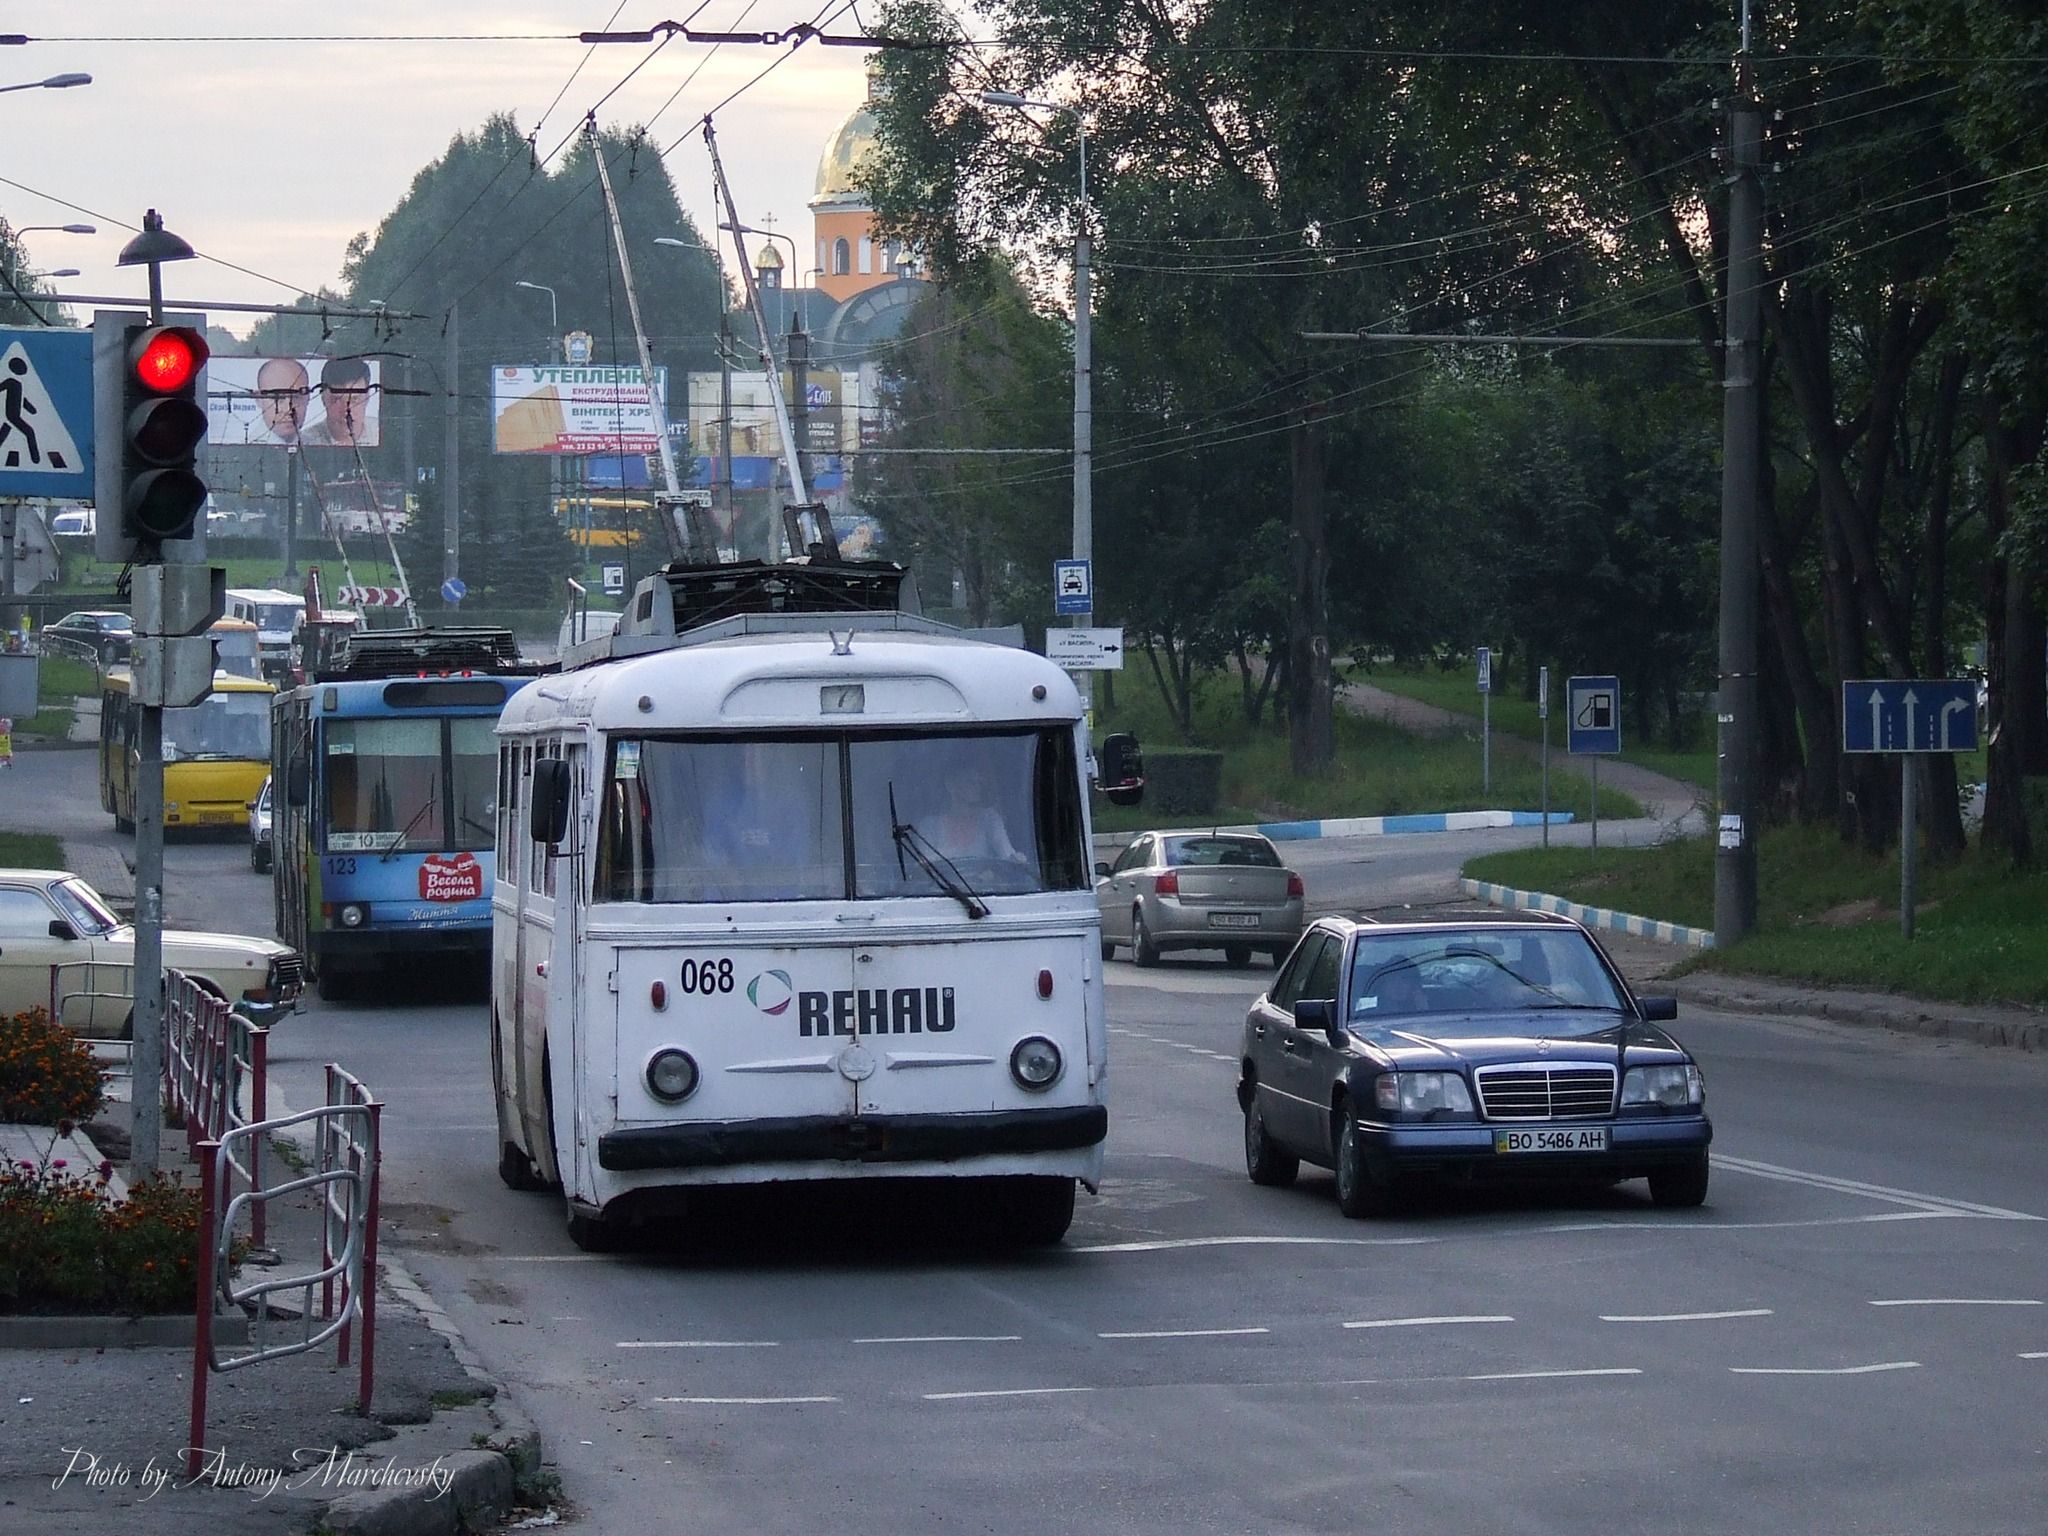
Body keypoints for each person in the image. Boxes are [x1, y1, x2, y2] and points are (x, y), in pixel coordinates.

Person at [924, 766, 1023, 864]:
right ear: (951, 785)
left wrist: (1016, 860)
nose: (977, 787)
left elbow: (1007, 854)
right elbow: (925, 867)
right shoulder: (930, 826)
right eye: (970, 781)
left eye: (978, 782)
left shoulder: (989, 819)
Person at [300, 356, 373, 447]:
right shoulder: (304, 442)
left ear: (368, 397)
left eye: (355, 399)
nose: (347, 411)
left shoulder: (384, 434)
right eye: (337, 400)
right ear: (323, 399)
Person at [255, 356, 309, 445]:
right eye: (278, 398)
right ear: (258, 399)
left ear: (308, 398)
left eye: (296, 397)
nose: (289, 409)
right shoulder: (242, 450)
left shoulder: (319, 445)